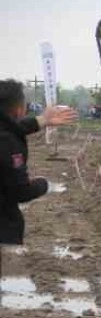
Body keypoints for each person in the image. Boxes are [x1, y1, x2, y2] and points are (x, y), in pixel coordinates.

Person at [0, 79, 78, 246]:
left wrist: (41, 120)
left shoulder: (6, 132)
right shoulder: (8, 143)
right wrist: (45, 185)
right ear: (19, 109)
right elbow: (20, 192)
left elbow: (10, 126)